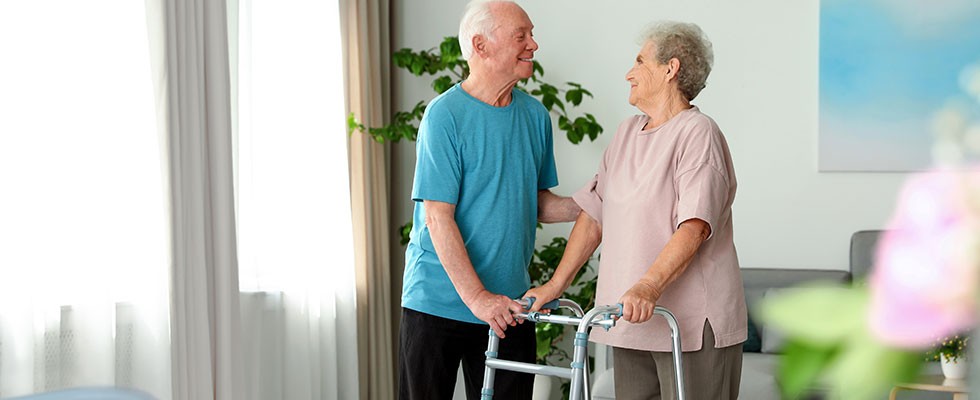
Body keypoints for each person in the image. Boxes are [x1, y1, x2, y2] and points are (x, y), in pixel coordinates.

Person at [524, 21, 747, 400]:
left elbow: (694, 226)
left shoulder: (698, 133)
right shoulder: (627, 133)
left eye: (639, 61)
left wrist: (647, 286)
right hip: (630, 320)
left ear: (670, 69)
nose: (629, 72)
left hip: (687, 325)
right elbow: (594, 216)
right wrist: (554, 286)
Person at [397, 1, 579, 399]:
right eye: (521, 36)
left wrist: (589, 202)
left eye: (531, 34)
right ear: (480, 46)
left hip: (510, 307)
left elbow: (536, 204)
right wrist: (478, 298)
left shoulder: (535, 117)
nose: (533, 44)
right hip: (438, 302)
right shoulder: (444, 116)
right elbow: (438, 217)